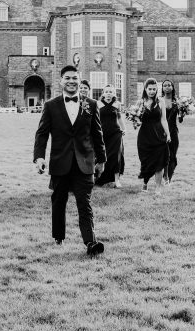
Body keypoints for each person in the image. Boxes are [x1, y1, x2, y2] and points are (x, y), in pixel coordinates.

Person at [33, 65, 107, 256]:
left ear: (79, 80)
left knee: (85, 202)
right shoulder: (51, 105)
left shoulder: (90, 104)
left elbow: (97, 134)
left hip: (85, 161)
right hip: (60, 161)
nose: (71, 81)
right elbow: (42, 134)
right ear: (61, 81)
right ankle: (58, 237)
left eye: (75, 78)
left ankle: (90, 242)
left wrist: (102, 160)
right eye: (67, 78)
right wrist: (39, 157)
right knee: (59, 201)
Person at [135, 78, 171, 194]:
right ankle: (145, 182)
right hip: (144, 137)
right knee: (146, 161)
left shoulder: (161, 102)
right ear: (145, 89)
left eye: (154, 89)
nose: (152, 91)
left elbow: (164, 120)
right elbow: (135, 121)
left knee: (159, 162)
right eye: (150, 89)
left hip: (158, 135)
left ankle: (158, 188)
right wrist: (136, 122)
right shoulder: (140, 102)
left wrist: (168, 134)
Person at [94, 85, 126, 188]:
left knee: (115, 156)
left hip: (115, 134)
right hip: (102, 134)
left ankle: (117, 180)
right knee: (102, 156)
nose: (108, 93)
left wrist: (124, 128)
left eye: (110, 92)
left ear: (113, 94)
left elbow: (120, 118)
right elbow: (95, 119)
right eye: (106, 91)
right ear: (103, 93)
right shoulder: (97, 104)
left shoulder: (117, 104)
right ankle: (98, 178)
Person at [160, 79, 184, 182]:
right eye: (165, 85)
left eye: (169, 85)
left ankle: (169, 177)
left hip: (173, 131)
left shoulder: (177, 102)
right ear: (162, 88)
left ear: (173, 87)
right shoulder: (159, 101)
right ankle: (164, 176)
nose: (167, 87)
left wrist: (182, 114)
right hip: (162, 132)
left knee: (173, 155)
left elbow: (180, 119)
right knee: (164, 155)